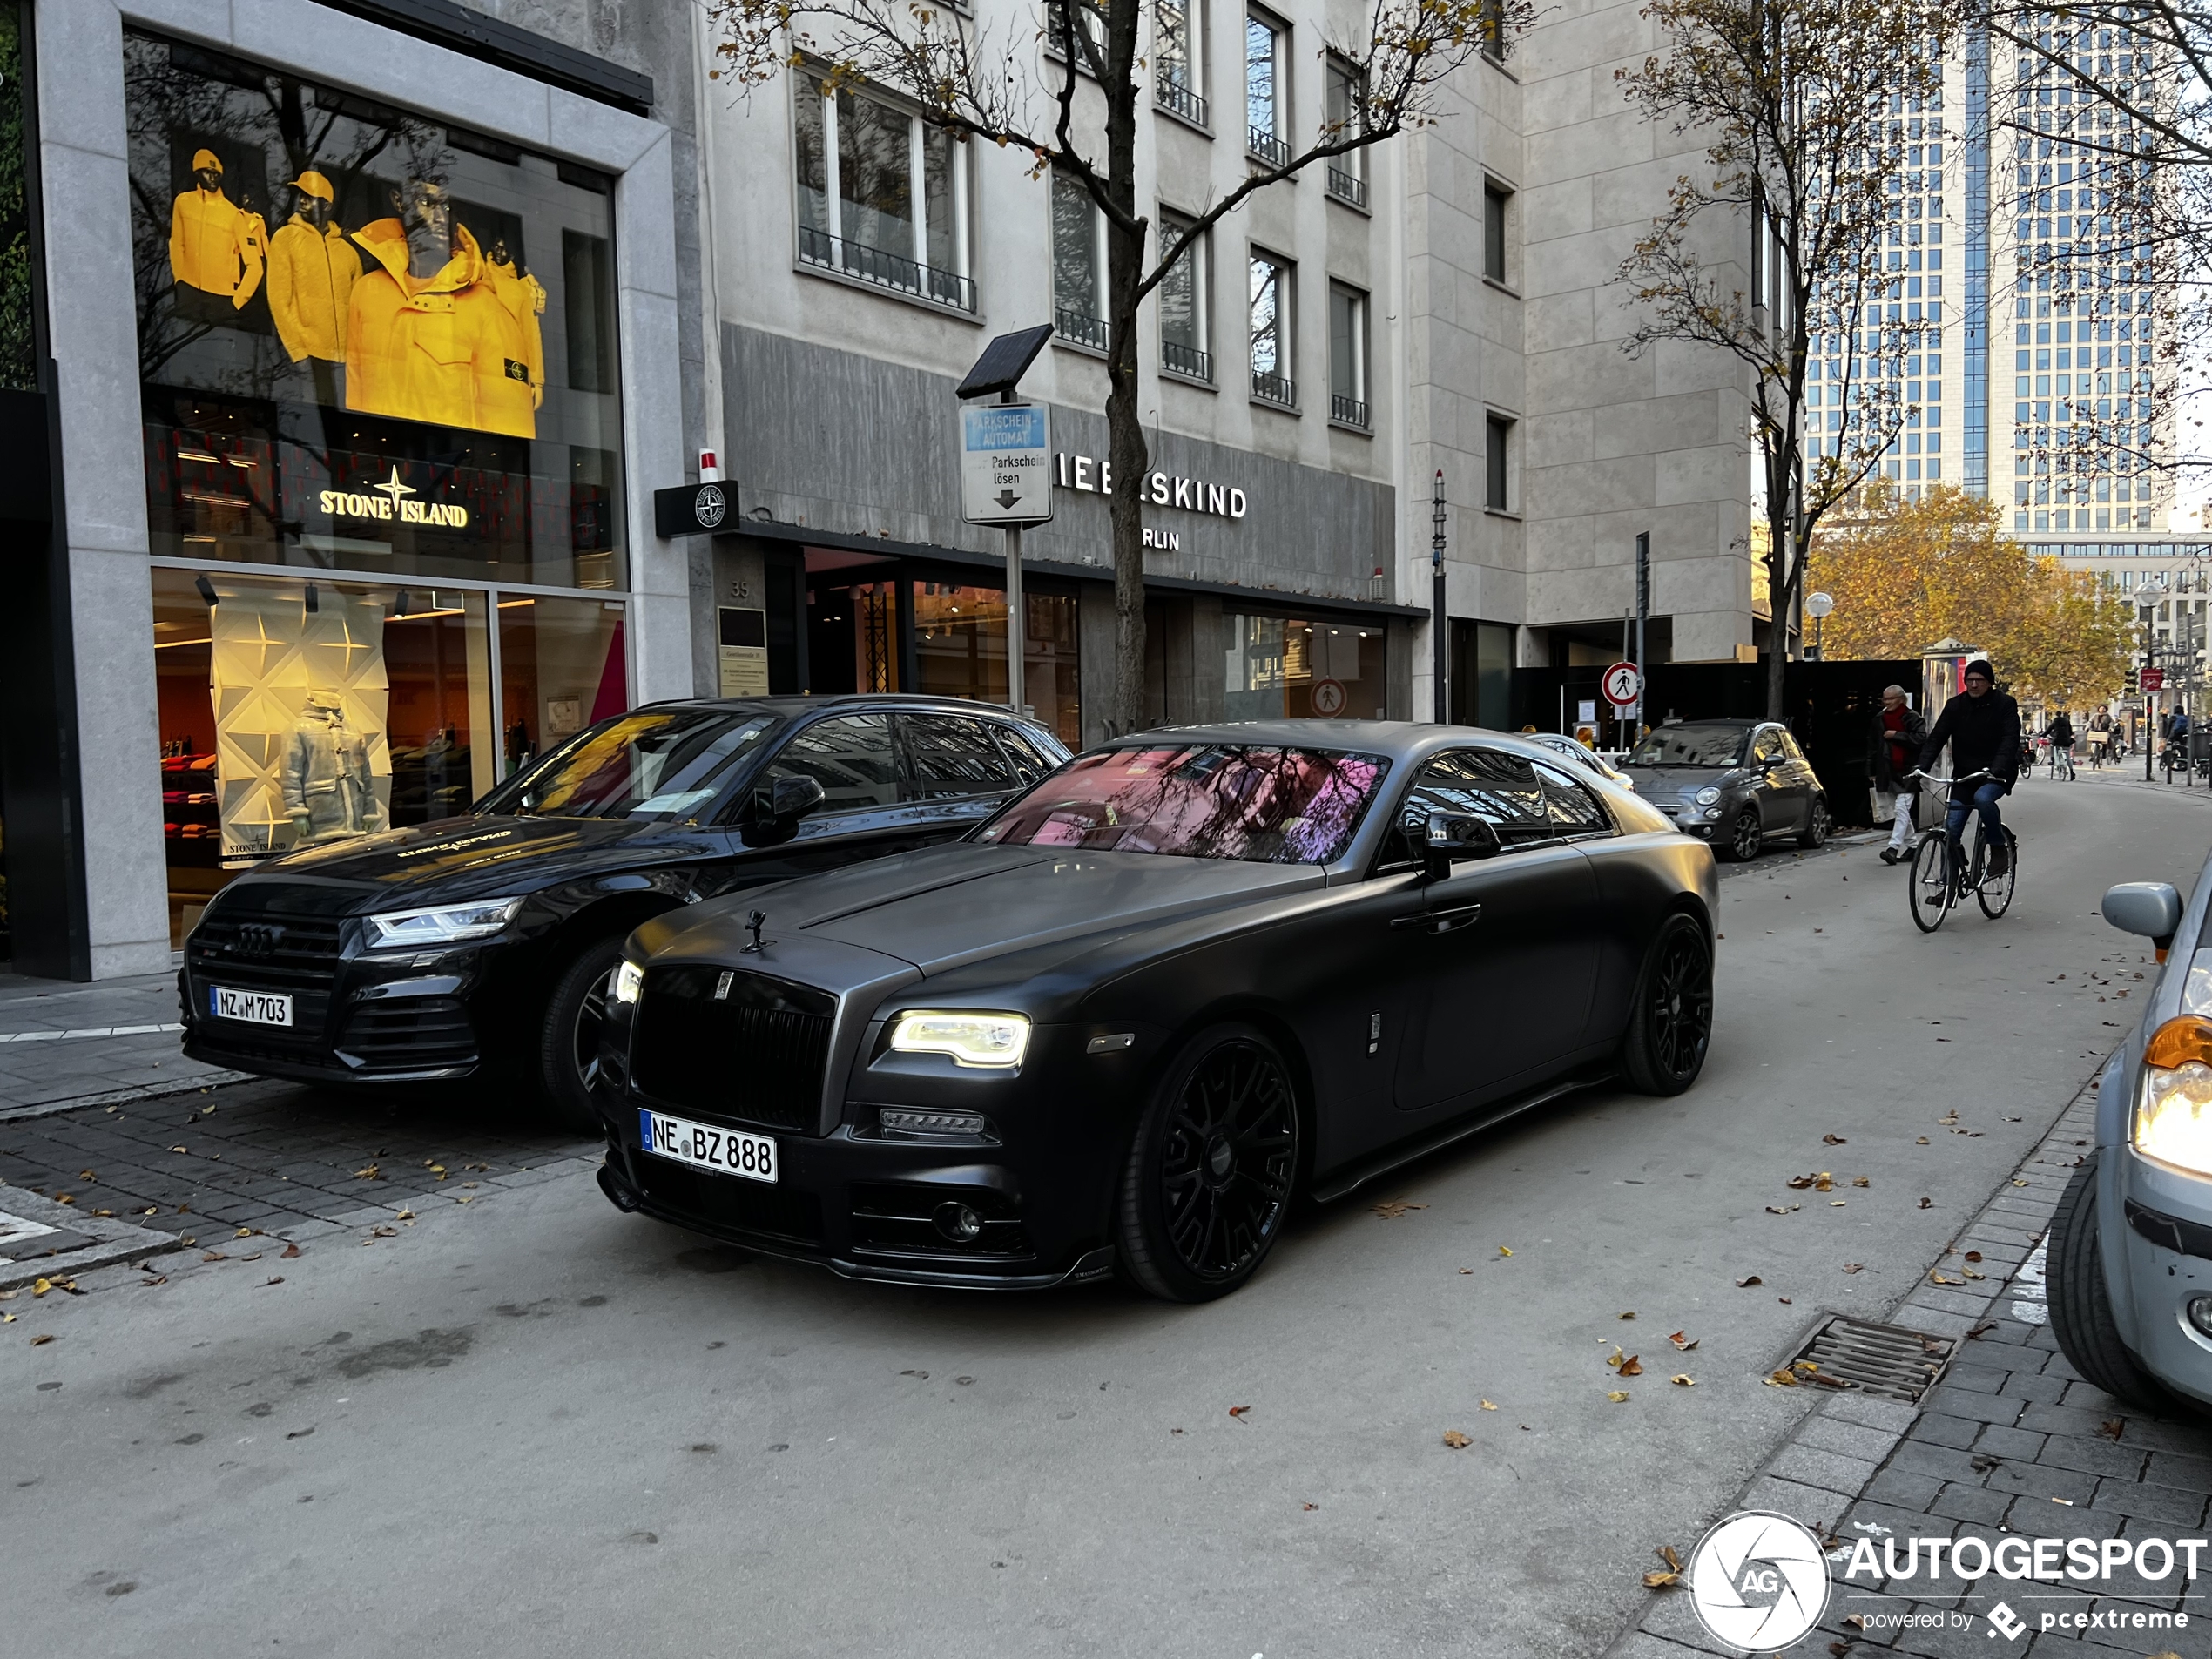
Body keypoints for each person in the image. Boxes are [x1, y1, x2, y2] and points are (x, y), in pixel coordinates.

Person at [1916, 658, 2021, 880]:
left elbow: (2009, 740)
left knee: (1983, 799)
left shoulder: (2005, 704)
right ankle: (1947, 885)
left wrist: (1998, 768)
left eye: (1979, 680)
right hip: (1964, 774)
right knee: (1951, 830)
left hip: (1996, 773)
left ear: (1990, 683)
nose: (1974, 685)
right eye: (1970, 680)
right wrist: (1920, 767)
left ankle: (1998, 848)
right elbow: (1937, 738)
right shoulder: (1955, 705)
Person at [1869, 685, 1927, 865]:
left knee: (1902, 809)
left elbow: (1921, 740)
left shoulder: (1913, 718)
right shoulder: (1879, 719)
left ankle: (1893, 847)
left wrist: (1897, 735)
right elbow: (1873, 747)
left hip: (1908, 771)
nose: (1886, 702)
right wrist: (1871, 772)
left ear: (1902, 699)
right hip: (1887, 771)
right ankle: (1912, 846)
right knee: (1900, 811)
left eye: (1890, 699)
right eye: (1884, 699)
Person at [2046, 709, 2075, 779]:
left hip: (2057, 740)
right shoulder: (2067, 721)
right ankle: (2072, 772)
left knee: (2052, 747)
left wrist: (2042, 735)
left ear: (2056, 715)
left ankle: (2052, 760)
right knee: (2068, 757)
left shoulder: (2055, 722)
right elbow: (2071, 732)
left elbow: (2048, 730)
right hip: (2066, 741)